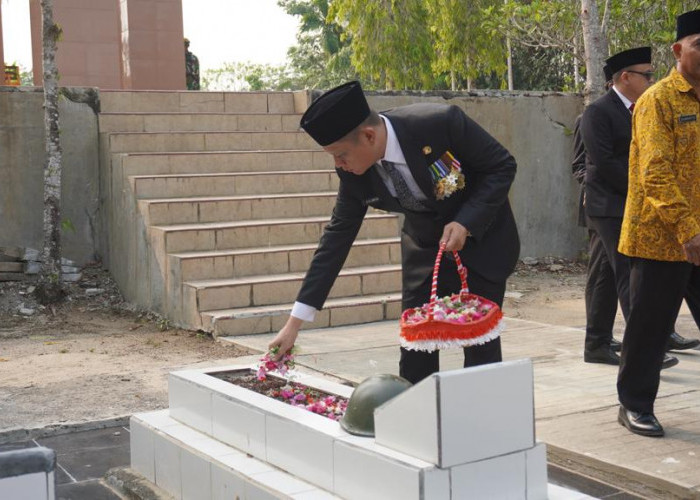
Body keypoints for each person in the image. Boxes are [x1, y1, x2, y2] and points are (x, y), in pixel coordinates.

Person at [269, 81, 520, 384]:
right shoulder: (353, 173)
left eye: (340, 155)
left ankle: (481, 424)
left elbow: (502, 166)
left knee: (480, 348)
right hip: (425, 249)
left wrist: (466, 222)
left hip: (482, 243)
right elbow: (338, 235)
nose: (338, 165)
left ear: (369, 136)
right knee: (415, 349)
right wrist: (294, 323)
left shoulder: (439, 123)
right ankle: (417, 421)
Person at [580, 47, 697, 368]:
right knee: (628, 274)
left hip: (637, 204)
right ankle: (647, 347)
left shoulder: (644, 107)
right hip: (610, 206)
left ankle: (598, 343)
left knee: (604, 275)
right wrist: (644, 190)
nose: (651, 79)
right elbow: (604, 162)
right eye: (646, 74)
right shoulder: (598, 112)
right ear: (625, 77)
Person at [616, 9, 700, 437]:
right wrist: (688, 230)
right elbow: (655, 171)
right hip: (659, 238)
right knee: (649, 332)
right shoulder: (658, 100)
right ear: (678, 49)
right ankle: (634, 404)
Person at [572, 65, 623, 363]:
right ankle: (598, 339)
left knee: (610, 273)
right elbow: (579, 164)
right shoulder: (589, 118)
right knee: (603, 272)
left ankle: (603, 338)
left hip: (619, 204)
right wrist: (592, 189)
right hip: (598, 206)